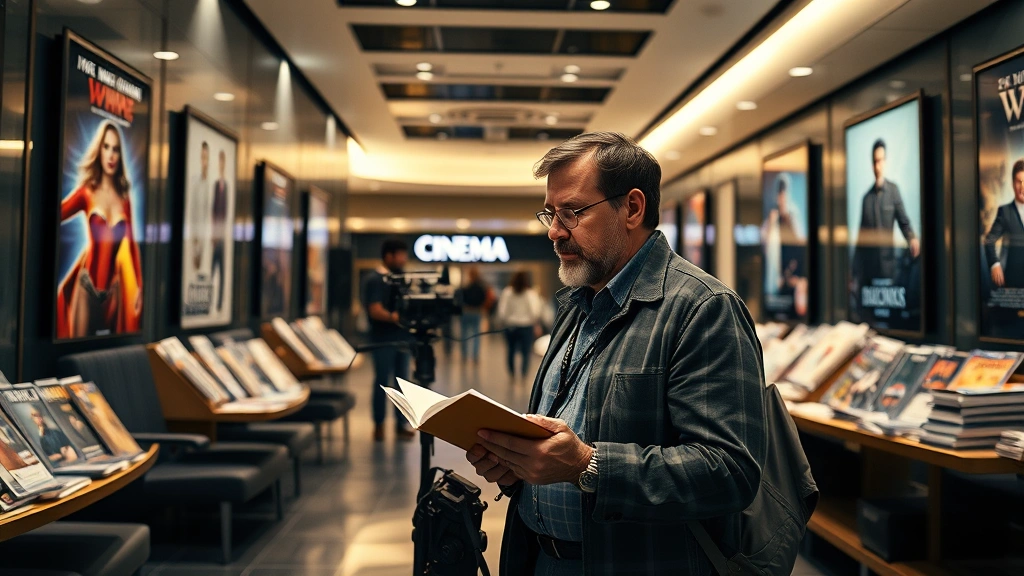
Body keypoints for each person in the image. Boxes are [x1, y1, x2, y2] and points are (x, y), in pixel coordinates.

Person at [465, 132, 766, 575]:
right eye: (550, 213)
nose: (553, 231)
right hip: (540, 559)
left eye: (572, 212)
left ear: (632, 208)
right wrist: (521, 463)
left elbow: (730, 472)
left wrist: (589, 465)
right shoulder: (576, 303)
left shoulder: (702, 309)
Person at [57, 120, 143, 338]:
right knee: (78, 348)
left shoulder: (125, 199)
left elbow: (132, 245)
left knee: (105, 353)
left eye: (115, 149)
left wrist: (140, 287)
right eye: (106, 147)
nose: (111, 155)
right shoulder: (87, 192)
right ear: (99, 151)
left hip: (113, 292)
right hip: (87, 288)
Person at [361, 239, 415, 442]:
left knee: (402, 384)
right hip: (382, 339)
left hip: (402, 339)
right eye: (401, 255)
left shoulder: (401, 279)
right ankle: (379, 424)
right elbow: (374, 310)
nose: (404, 259)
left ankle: (401, 424)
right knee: (382, 382)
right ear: (389, 256)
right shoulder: (374, 280)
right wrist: (396, 317)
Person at [852, 139, 919, 292]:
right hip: (870, 272)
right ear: (872, 164)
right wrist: (854, 273)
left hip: (889, 269)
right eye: (875, 161)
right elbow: (860, 239)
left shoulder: (893, 191)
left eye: (881, 160)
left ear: (886, 161)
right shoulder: (866, 198)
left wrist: (912, 238)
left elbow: (904, 222)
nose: (878, 165)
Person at [984, 158, 1024, 289]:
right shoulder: (1005, 211)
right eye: (1019, 181)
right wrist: (995, 264)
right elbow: (989, 240)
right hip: (1013, 281)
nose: (1022, 187)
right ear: (1013, 184)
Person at [497, 271, 543, 380]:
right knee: (525, 352)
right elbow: (534, 311)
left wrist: (505, 320)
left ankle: (512, 373)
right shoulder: (530, 293)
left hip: (511, 326)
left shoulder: (507, 292)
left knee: (511, 350)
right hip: (526, 327)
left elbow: (502, 311)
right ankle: (523, 374)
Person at [211, 149, 230, 312]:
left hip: (223, 236)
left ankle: (219, 303)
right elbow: (213, 209)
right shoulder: (216, 185)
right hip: (214, 235)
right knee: (212, 268)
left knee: (222, 271)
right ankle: (210, 301)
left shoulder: (227, 186)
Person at [459, 266, 489, 363]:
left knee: (464, 334)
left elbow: (462, 299)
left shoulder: (466, 287)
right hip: (476, 312)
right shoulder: (481, 287)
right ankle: (475, 355)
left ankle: (464, 354)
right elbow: (484, 299)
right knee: (476, 335)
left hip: (467, 312)